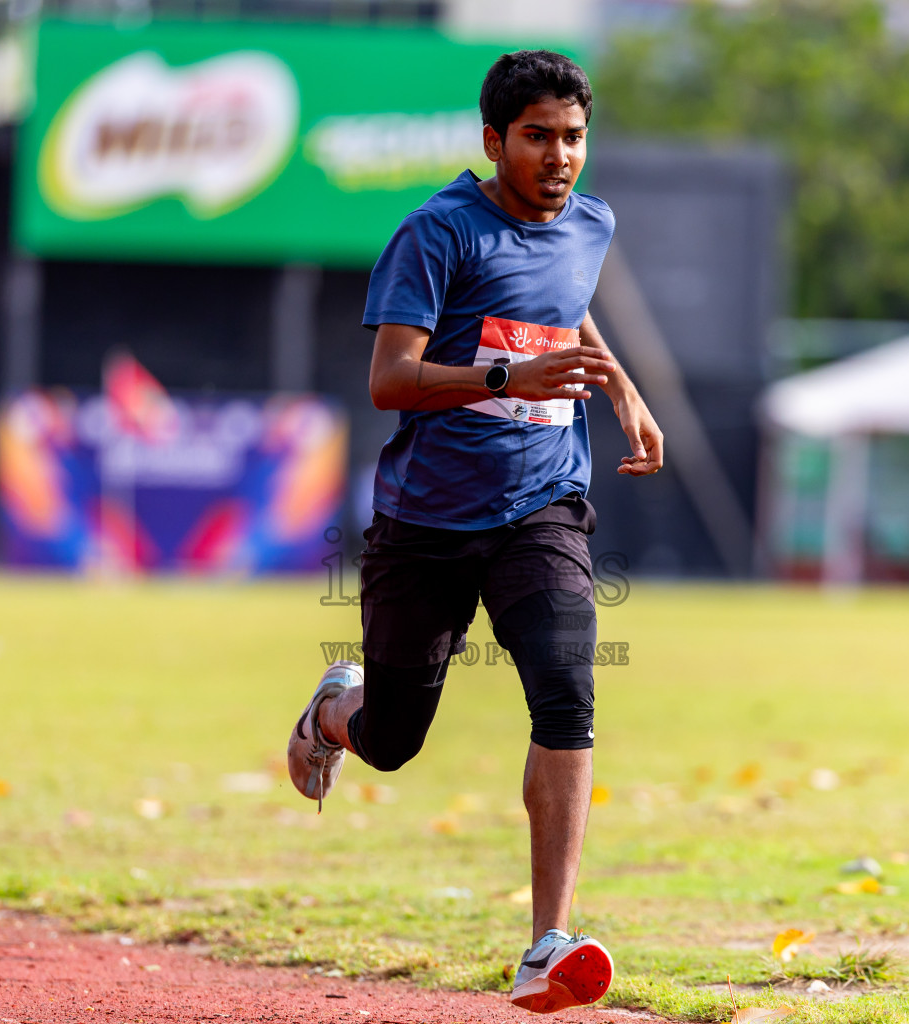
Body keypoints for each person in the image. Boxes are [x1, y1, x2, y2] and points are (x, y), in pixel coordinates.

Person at [286, 49, 663, 1015]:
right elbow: (391, 380)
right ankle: (337, 710)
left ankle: (547, 944)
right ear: (494, 141)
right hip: (426, 522)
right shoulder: (437, 234)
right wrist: (506, 380)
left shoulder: (592, 223)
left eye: (574, 137)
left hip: (543, 504)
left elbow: (564, 315)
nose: (560, 157)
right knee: (397, 739)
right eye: (538, 137)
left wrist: (620, 388)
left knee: (567, 691)